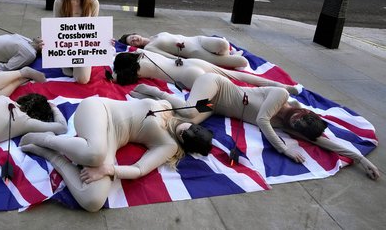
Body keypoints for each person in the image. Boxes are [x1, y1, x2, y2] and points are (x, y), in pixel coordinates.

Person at [130, 74, 380, 180]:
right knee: (190, 110)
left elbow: (323, 141)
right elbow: (261, 120)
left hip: (216, 106)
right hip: (216, 86)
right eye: (294, 120)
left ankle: (151, 98)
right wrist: (283, 149)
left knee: (191, 121)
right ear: (302, 111)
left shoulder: (291, 124)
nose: (290, 124)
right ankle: (153, 91)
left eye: (295, 127)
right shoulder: (280, 95)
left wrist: (360, 160)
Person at [19, 96, 213, 212]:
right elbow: (207, 104)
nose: (183, 133)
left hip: (110, 139)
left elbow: (139, 169)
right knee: (94, 153)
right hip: (99, 110)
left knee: (93, 201)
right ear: (195, 125)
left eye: (186, 138)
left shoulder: (170, 145)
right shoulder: (171, 107)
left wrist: (107, 169)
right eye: (191, 130)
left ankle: (51, 155)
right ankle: (43, 139)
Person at [112, 49, 294, 90]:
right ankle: (282, 86)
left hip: (188, 75)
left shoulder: (139, 69)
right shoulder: (144, 55)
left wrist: (113, 73)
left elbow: (120, 78)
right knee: (236, 75)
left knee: (234, 90)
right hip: (192, 63)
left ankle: (273, 92)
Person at [53, 0, 100, 84]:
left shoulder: (93, 3)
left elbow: (95, 30)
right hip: (65, 46)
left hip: (84, 47)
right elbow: (55, 29)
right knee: (67, 72)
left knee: (83, 80)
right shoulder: (59, 2)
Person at [118, 32, 248, 68]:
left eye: (133, 37)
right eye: (132, 41)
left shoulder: (155, 35)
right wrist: (182, 61)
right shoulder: (149, 48)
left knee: (222, 44)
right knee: (243, 62)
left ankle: (226, 54)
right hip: (195, 53)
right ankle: (229, 56)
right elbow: (167, 57)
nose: (135, 39)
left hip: (198, 40)